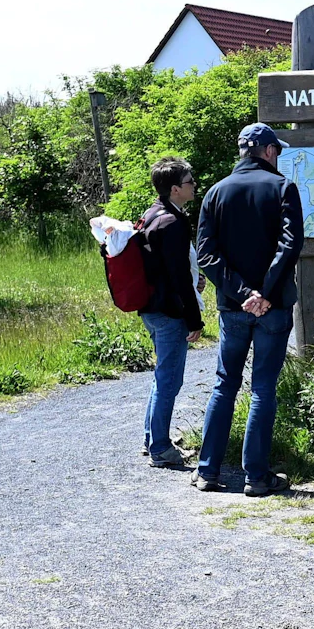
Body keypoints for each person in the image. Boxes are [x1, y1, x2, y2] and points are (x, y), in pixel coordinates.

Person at [192, 122, 304, 496]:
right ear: (269, 151)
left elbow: (206, 254)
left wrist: (242, 294)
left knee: (225, 384)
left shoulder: (215, 192)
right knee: (263, 388)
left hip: (232, 307)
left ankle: (207, 471)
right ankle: (256, 477)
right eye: (278, 151)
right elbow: (290, 245)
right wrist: (265, 294)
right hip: (273, 307)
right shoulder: (283, 187)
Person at [138, 157, 205, 468]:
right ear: (175, 189)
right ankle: (161, 449)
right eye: (190, 182)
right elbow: (178, 278)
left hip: (151, 308)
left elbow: (165, 269)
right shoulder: (173, 223)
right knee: (169, 381)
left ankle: (152, 439)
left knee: (162, 377)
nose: (194, 185)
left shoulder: (152, 214)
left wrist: (195, 279)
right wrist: (194, 319)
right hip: (169, 312)